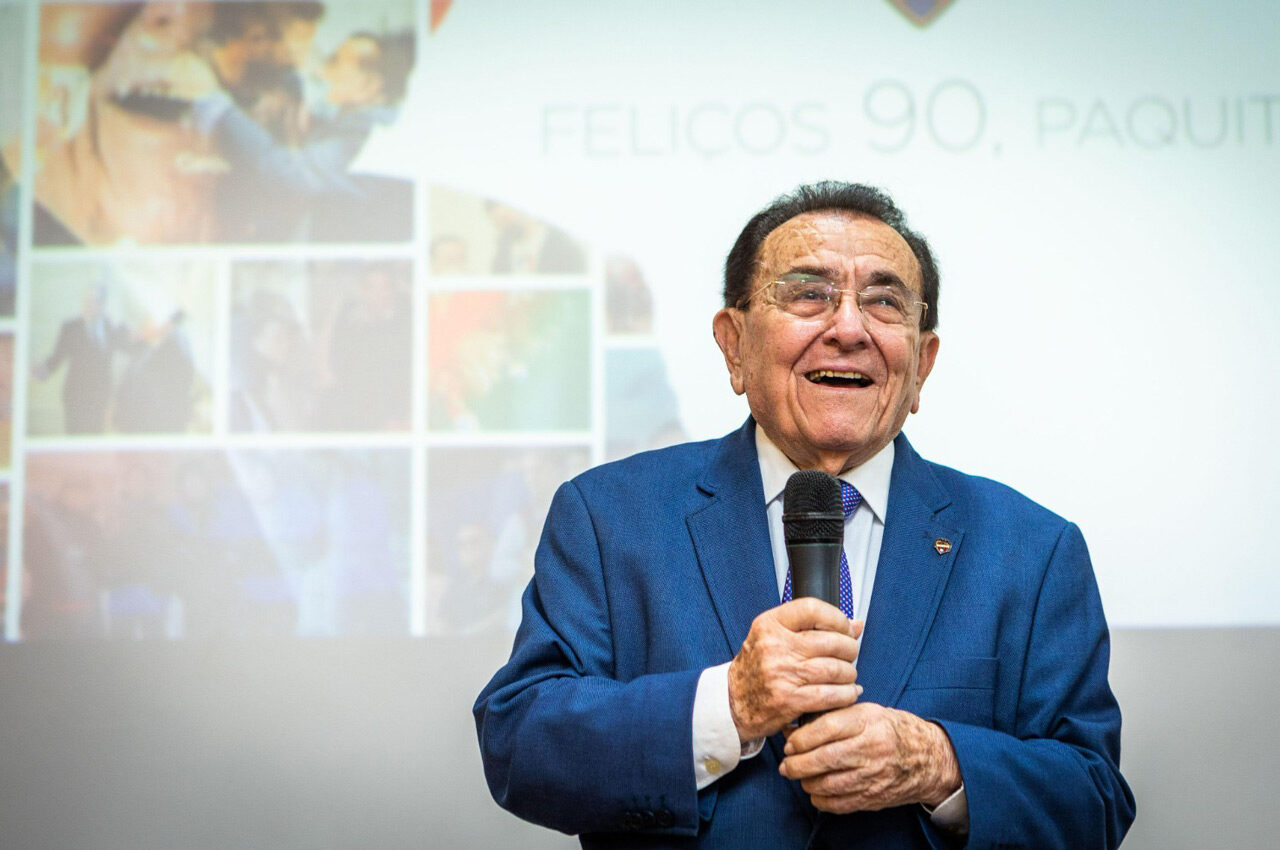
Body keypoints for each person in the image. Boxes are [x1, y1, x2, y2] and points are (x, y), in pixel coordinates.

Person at [474, 181, 1135, 849]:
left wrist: (938, 765)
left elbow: (1094, 802)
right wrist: (729, 704)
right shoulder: (610, 517)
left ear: (922, 366)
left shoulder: (1033, 548)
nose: (848, 328)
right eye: (808, 294)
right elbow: (522, 745)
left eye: (883, 301)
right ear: (734, 346)